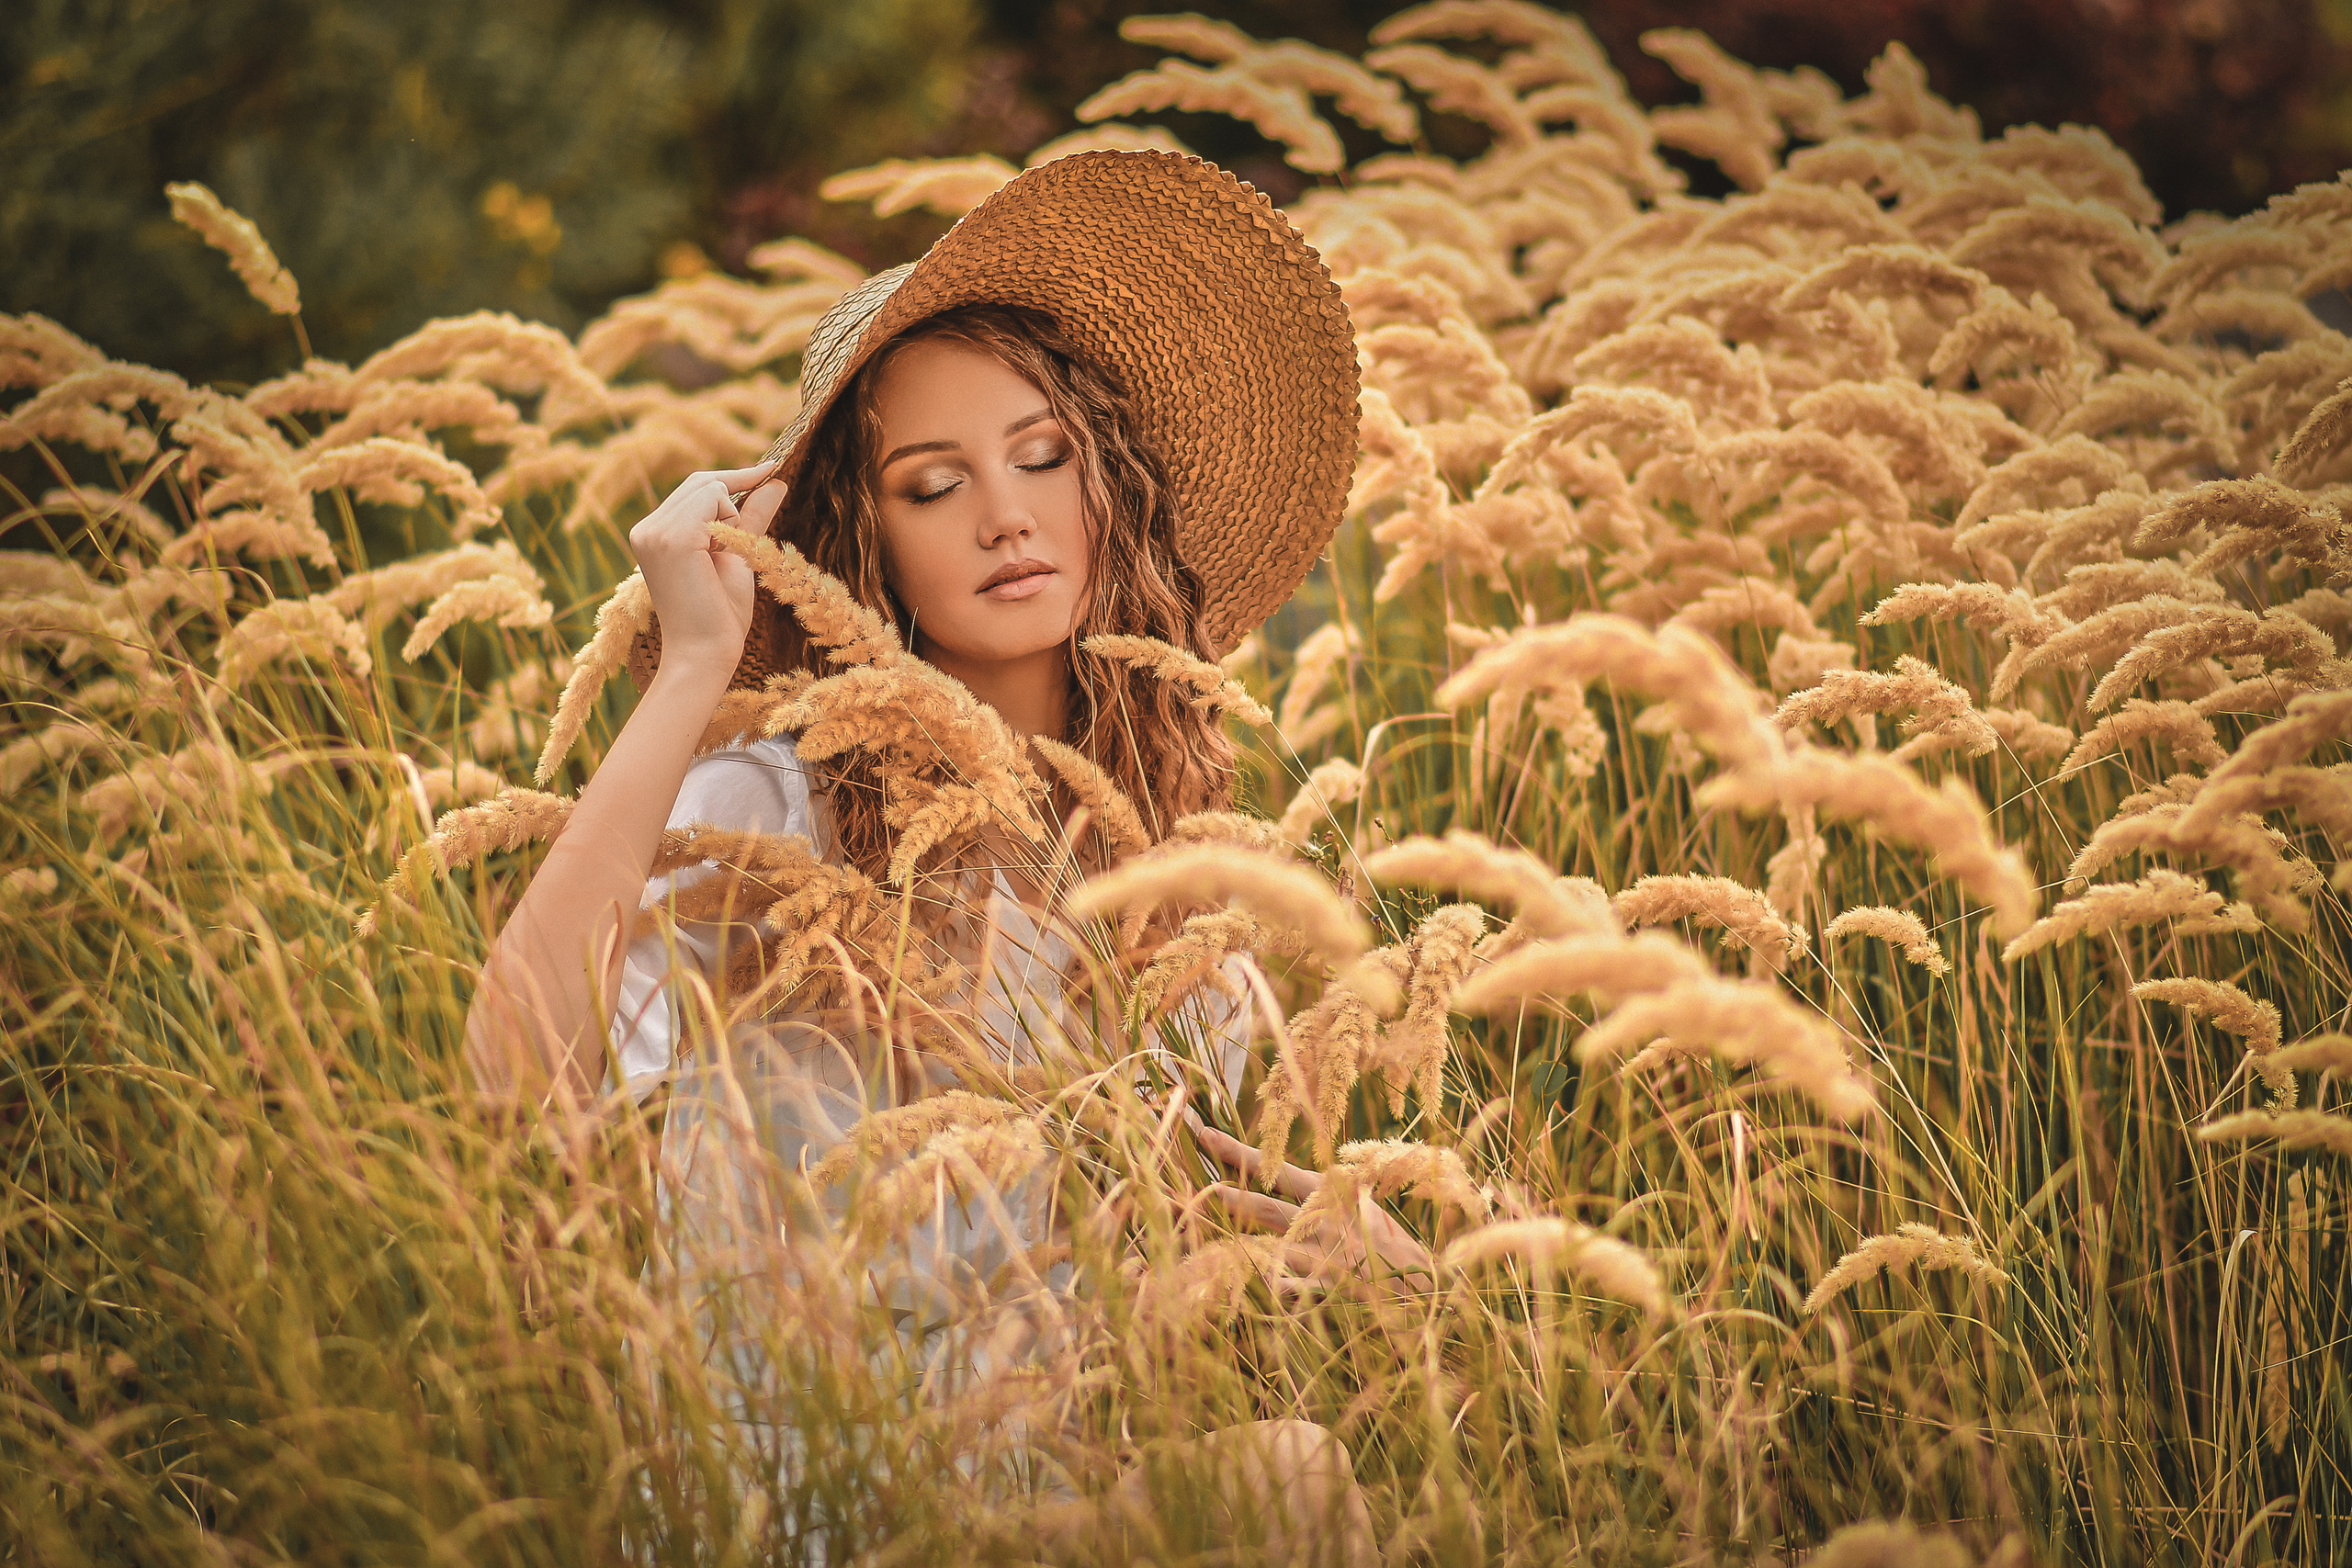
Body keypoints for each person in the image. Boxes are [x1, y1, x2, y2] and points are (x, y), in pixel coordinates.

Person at [459, 151, 1372, 1563]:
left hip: (1044, 1484)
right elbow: (508, 1071)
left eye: (1044, 456)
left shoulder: (1174, 878)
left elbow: (1165, 1262)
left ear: (1108, 484)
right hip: (798, 1506)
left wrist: (1365, 1266)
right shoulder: (776, 815)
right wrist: (694, 663)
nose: (1006, 515)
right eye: (933, 484)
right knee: (1291, 1483)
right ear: (862, 543)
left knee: (1288, 1477)